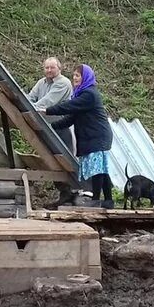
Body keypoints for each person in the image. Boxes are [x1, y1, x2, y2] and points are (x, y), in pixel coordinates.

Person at [42, 64, 115, 208]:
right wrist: (51, 127)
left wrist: (48, 110)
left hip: (98, 135)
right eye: (74, 75)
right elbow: (70, 118)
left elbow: (69, 106)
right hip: (93, 135)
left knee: (97, 168)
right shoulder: (81, 94)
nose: (75, 78)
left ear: (86, 78)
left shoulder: (89, 94)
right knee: (101, 168)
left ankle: (96, 199)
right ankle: (108, 201)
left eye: (78, 75)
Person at [28, 56, 74, 153]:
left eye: (52, 67)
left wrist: (29, 108)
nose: (49, 70)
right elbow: (30, 97)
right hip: (45, 120)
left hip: (61, 124)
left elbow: (48, 102)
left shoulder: (64, 83)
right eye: (47, 68)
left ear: (59, 68)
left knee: (66, 154)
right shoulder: (41, 82)